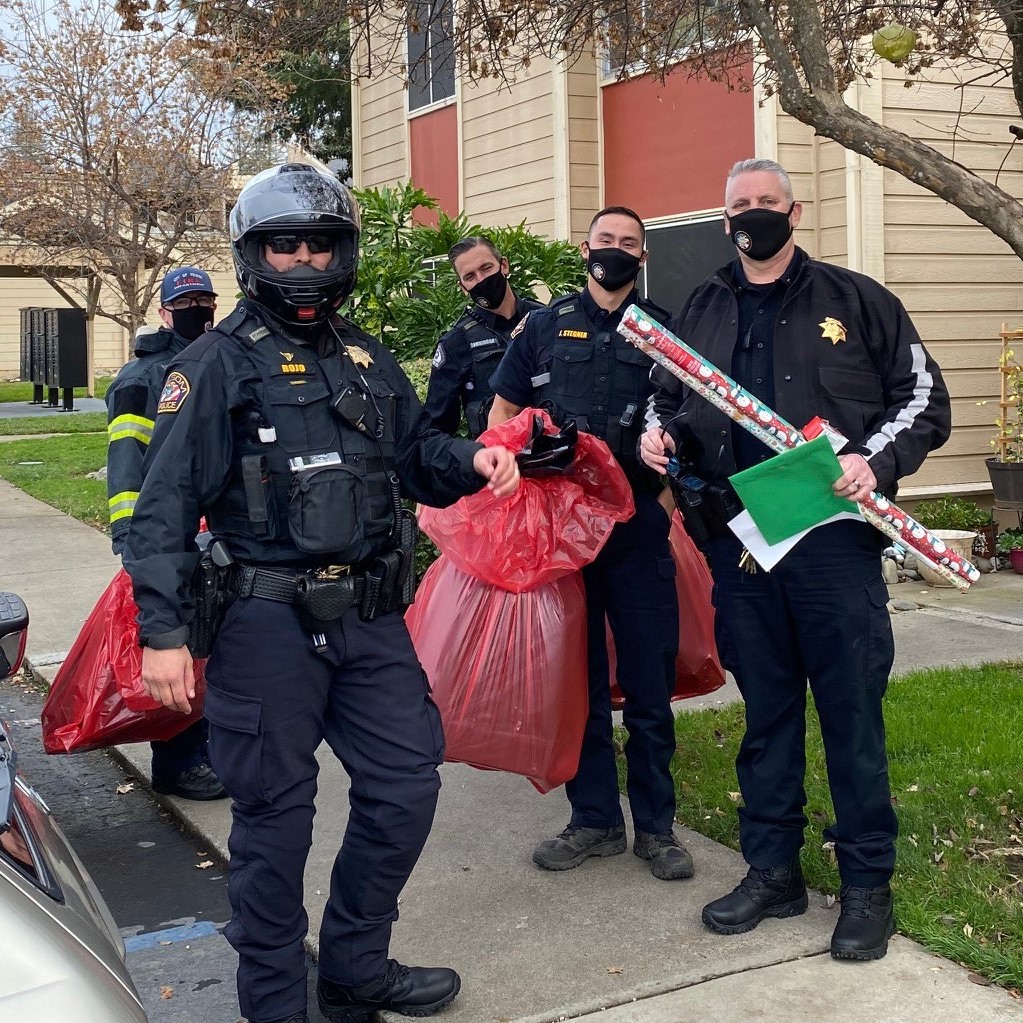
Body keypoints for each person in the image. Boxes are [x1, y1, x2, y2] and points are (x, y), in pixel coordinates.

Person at [121, 162, 519, 1023]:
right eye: (283, 243)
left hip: (371, 618)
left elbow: (418, 456)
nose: (302, 259)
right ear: (254, 252)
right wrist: (162, 631)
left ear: (344, 251)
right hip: (263, 624)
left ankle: (353, 968)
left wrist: (474, 461)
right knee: (274, 821)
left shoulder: (368, 357)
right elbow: (158, 511)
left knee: (406, 786)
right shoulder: (212, 365)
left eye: (319, 242)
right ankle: (274, 1005)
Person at [640, 158, 951, 960]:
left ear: (794, 211)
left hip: (830, 545)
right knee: (767, 715)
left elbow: (923, 401)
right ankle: (771, 870)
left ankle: (864, 884)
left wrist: (872, 464)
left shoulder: (856, 300)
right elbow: (666, 393)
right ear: (723, 220)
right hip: (738, 547)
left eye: (766, 203)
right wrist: (659, 433)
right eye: (738, 204)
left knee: (850, 713)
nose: (753, 215)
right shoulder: (702, 304)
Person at [489, 206, 692, 882]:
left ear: (641, 256)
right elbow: (502, 415)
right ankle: (595, 819)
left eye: (628, 243)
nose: (615, 251)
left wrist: (661, 505)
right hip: (563, 537)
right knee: (576, 680)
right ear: (584, 250)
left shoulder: (662, 330)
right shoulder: (542, 327)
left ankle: (657, 828)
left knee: (646, 682)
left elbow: (691, 419)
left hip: (636, 531)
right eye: (605, 241)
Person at [105, 266, 227, 801]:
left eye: (205, 299)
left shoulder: (216, 362)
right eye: (186, 301)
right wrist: (134, 538)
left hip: (212, 526)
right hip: (167, 531)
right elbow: (127, 462)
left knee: (211, 645)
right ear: (163, 312)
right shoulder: (142, 378)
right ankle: (177, 763)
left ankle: (202, 752)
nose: (197, 309)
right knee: (175, 639)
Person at [423, 236, 544, 438]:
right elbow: (437, 429)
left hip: (554, 455)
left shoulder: (544, 320)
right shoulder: (456, 342)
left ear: (503, 265)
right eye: (470, 276)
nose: (481, 280)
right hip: (496, 459)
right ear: (462, 287)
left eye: (486, 268)